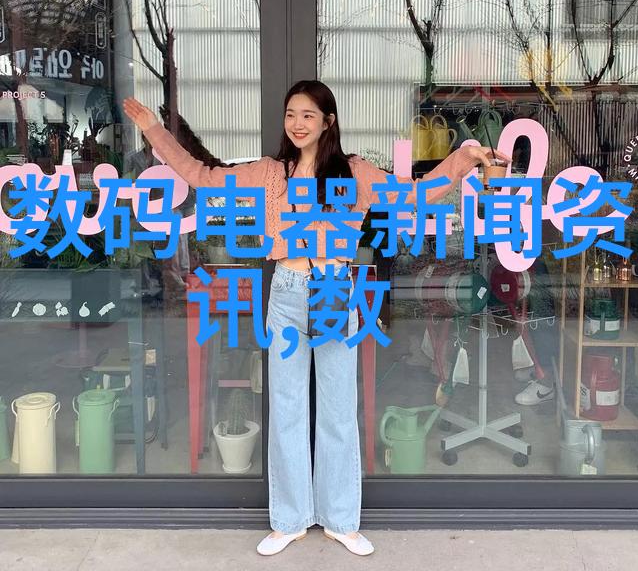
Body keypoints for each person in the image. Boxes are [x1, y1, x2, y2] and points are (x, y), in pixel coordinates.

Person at [123, 80, 509, 556]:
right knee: (286, 409)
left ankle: (341, 519)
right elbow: (201, 176)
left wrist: (464, 158)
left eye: (308, 115)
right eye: (291, 114)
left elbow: (414, 194)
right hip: (286, 291)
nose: (297, 123)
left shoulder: (354, 173)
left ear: (328, 121)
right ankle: (288, 519)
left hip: (334, 292)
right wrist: (154, 131)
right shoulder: (270, 172)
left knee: (338, 411)